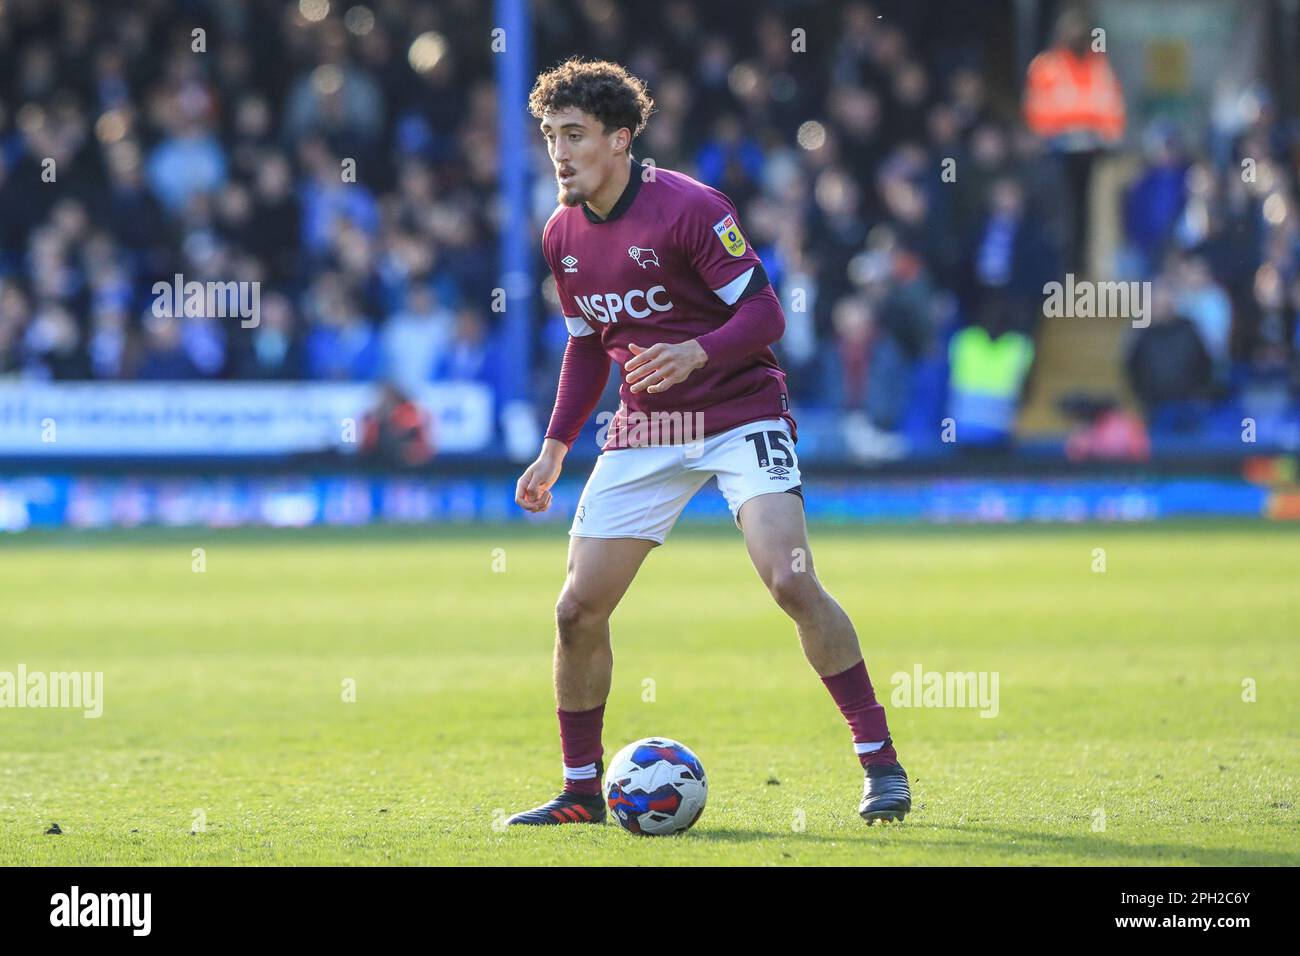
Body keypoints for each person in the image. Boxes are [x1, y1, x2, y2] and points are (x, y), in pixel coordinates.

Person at [508, 59, 910, 827]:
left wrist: (698, 352)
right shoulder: (560, 232)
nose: (558, 152)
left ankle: (879, 762)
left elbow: (764, 314)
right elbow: (589, 345)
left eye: (574, 135)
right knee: (574, 611)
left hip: (738, 413)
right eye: (549, 136)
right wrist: (556, 446)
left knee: (791, 581)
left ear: (620, 139)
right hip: (646, 426)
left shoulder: (689, 209)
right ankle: (581, 792)